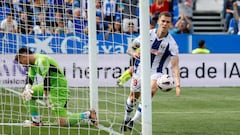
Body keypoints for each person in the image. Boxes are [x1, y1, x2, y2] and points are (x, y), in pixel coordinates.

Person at [120, 11, 181, 132]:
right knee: (133, 98)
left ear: (170, 25)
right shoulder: (147, 34)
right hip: (140, 69)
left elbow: (175, 66)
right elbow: (130, 48)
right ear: (158, 21)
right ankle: (127, 118)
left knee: (151, 90)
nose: (164, 24)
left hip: (156, 72)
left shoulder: (172, 44)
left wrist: (177, 84)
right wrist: (134, 53)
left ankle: (134, 121)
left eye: (167, 22)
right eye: (163, 21)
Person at [15, 48, 98, 127]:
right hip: (49, 85)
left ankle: (88, 114)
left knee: (62, 122)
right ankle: (36, 121)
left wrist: (45, 96)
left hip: (59, 86)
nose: (22, 65)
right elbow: (30, 78)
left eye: (21, 62)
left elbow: (47, 77)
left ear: (24, 56)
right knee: (26, 95)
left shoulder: (41, 60)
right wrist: (27, 89)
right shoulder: (32, 64)